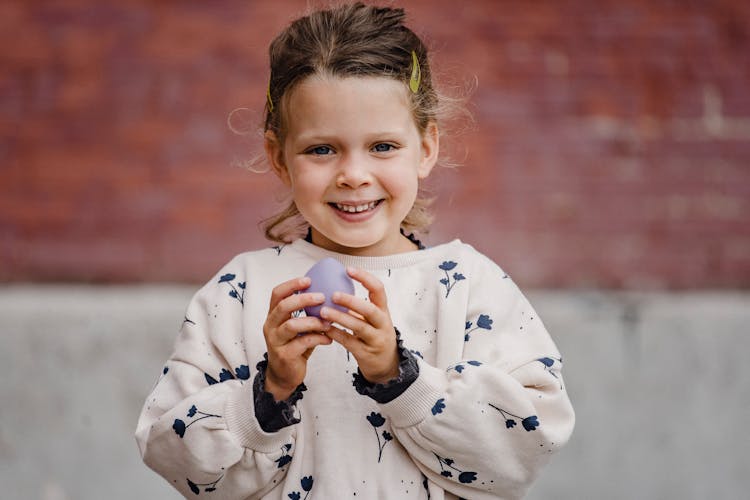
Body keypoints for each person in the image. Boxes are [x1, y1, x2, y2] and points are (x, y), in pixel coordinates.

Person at [135, 3, 575, 499]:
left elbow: (526, 448)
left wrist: (399, 376)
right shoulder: (239, 293)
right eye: (321, 149)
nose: (353, 174)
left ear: (426, 147)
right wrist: (268, 392)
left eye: (383, 146)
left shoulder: (470, 285)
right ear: (279, 158)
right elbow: (172, 455)